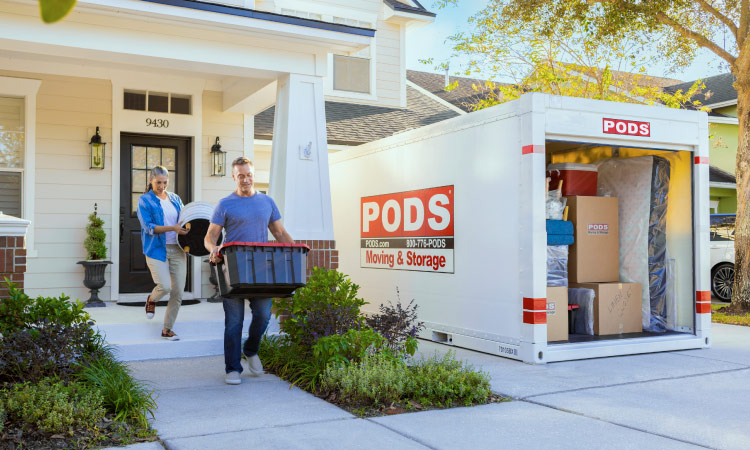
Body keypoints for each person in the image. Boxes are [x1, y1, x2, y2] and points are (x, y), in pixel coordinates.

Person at [205, 156, 294, 385]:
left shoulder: (267, 202)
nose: (245, 179)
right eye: (241, 175)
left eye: (249, 175)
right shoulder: (225, 204)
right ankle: (233, 368)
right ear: (234, 177)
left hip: (260, 269)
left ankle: (251, 349)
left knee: (263, 315)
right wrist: (213, 248)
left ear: (254, 176)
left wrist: (296, 253)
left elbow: (280, 233)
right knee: (234, 321)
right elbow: (210, 236)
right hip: (232, 269)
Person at [137, 165, 189, 341]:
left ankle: (167, 329)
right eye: (158, 182)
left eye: (165, 182)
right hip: (156, 249)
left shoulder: (175, 198)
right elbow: (148, 227)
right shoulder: (145, 200)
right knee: (165, 286)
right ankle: (152, 299)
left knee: (178, 292)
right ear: (151, 180)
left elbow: (184, 218)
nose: (161, 186)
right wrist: (172, 228)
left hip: (178, 249)